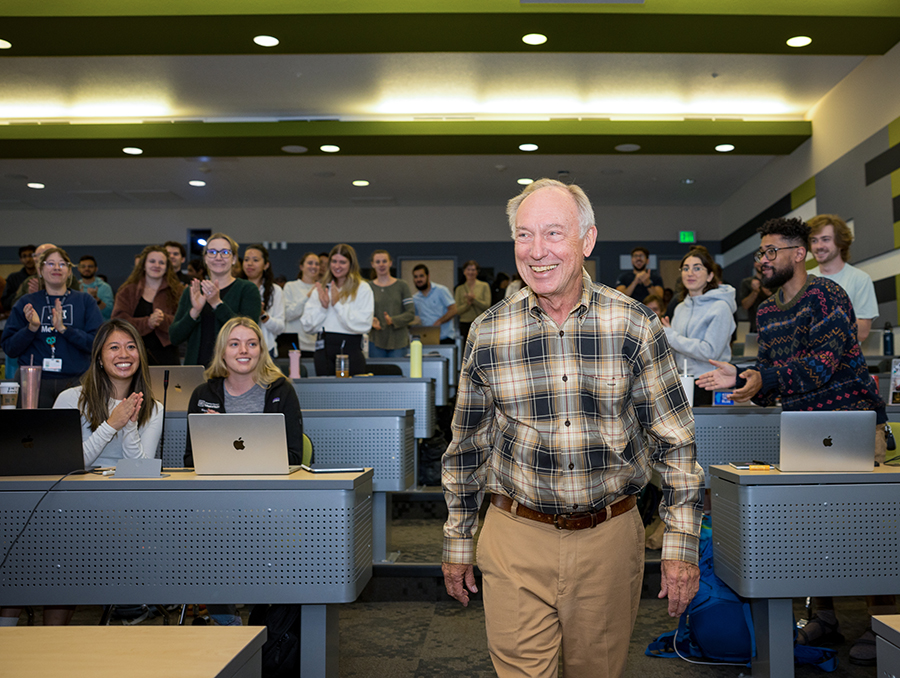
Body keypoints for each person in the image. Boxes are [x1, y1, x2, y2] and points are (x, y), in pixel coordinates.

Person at [442, 178, 702, 678]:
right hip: (514, 534)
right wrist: (458, 540)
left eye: (553, 233)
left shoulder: (634, 323)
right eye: (524, 235)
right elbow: (465, 447)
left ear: (587, 240)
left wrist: (680, 545)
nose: (537, 251)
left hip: (609, 538)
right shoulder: (488, 331)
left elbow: (675, 443)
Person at [696, 216, 891, 667]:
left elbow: (820, 366)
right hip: (803, 428)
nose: (762, 261)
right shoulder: (766, 311)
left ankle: (884, 622)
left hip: (852, 423)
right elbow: (772, 384)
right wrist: (744, 379)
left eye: (770, 252)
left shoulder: (827, 296)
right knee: (814, 528)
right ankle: (825, 617)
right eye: (760, 253)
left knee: (869, 531)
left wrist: (761, 376)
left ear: (798, 253)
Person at [183, 316, 304, 626]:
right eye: (234, 344)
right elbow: (190, 460)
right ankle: (227, 623)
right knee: (202, 538)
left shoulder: (281, 390)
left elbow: (294, 455)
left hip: (270, 502)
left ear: (261, 350)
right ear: (222, 351)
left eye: (252, 344)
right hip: (216, 504)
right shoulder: (203, 395)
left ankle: (264, 620)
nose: (243, 350)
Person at [1, 247, 103, 408]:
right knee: (32, 432)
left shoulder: (85, 301)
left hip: (77, 381)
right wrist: (31, 328)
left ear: (69, 271)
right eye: (50, 263)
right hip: (35, 384)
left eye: (62, 264)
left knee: (73, 432)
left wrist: (64, 330)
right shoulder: (26, 302)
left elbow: (97, 344)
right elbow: (10, 348)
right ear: (40, 270)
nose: (56, 267)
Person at [168, 233, 261, 366]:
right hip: (197, 371)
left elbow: (249, 334)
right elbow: (174, 337)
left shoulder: (247, 289)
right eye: (212, 252)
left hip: (232, 371)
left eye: (225, 252)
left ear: (234, 259)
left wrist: (217, 304)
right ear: (205, 258)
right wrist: (194, 312)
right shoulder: (193, 290)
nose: (218, 257)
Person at [662, 246, 736, 406]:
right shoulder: (680, 308)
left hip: (711, 382)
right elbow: (675, 350)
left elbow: (710, 351)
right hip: (682, 382)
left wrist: (671, 336)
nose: (690, 273)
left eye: (697, 268)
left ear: (710, 275)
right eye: (686, 268)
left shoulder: (721, 307)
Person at [300, 243, 373, 376]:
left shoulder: (362, 288)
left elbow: (364, 324)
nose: (337, 266)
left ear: (351, 264)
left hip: (351, 349)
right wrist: (323, 308)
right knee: (325, 393)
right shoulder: (321, 288)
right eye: (334, 261)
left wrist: (337, 305)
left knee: (351, 393)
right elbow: (307, 326)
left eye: (342, 262)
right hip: (324, 350)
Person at [808, 214, 878, 344]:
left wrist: (823, 317)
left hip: (845, 362)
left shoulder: (860, 279)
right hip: (807, 361)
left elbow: (862, 332)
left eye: (825, 239)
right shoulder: (804, 279)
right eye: (814, 240)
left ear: (841, 243)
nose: (819, 246)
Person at [112, 245, 184, 365]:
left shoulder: (178, 291)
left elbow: (183, 322)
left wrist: (163, 320)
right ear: (143, 265)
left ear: (167, 267)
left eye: (161, 262)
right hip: (133, 353)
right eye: (152, 261)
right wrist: (148, 323)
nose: (156, 265)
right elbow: (118, 322)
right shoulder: (127, 291)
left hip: (167, 355)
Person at [368, 249, 416, 358]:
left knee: (397, 373)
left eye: (384, 261)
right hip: (375, 341)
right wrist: (370, 320)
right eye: (378, 262)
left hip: (398, 341)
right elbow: (360, 312)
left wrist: (393, 320)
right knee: (377, 373)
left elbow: (410, 313)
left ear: (390, 263)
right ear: (372, 265)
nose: (381, 265)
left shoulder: (402, 286)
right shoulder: (368, 287)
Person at [241, 244, 285, 358]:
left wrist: (262, 314)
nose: (249, 264)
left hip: (266, 349)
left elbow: (280, 327)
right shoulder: (237, 288)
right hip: (240, 349)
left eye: (255, 260)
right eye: (246, 260)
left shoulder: (275, 290)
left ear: (266, 265)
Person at [283, 252, 320, 358]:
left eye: (317, 264)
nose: (313, 266)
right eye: (310, 263)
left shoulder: (322, 289)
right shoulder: (290, 287)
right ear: (301, 267)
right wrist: (308, 296)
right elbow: (288, 314)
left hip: (314, 345)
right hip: (294, 345)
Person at [412, 264, 457, 343]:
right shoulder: (415, 298)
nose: (418, 279)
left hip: (445, 338)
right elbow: (413, 316)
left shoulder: (441, 290)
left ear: (428, 276)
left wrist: (439, 322)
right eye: (416, 277)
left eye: (421, 276)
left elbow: (453, 309)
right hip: (427, 338)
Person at [454, 260, 492, 340]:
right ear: (464, 272)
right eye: (468, 269)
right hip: (465, 323)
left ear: (477, 272)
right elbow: (457, 310)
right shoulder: (459, 289)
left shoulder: (484, 286)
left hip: (481, 322)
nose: (470, 272)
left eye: (473, 270)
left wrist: (474, 300)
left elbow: (487, 305)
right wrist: (467, 304)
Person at [739, 259, 774, 333]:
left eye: (764, 261)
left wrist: (766, 292)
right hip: (755, 327)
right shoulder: (747, 282)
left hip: (774, 325)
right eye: (758, 261)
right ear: (754, 264)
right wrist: (755, 291)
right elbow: (745, 306)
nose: (761, 264)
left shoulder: (775, 281)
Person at [0, 244, 36, 315]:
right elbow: (5, 304)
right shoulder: (13, 278)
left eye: (30, 255)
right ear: (20, 260)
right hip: (19, 314)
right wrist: (19, 292)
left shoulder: (43, 277)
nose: (28, 259)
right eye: (24, 256)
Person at [77, 255, 115, 322]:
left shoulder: (105, 287)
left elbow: (110, 313)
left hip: (101, 328)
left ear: (96, 269)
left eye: (90, 266)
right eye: (83, 266)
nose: (86, 269)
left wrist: (96, 300)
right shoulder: (75, 287)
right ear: (78, 268)